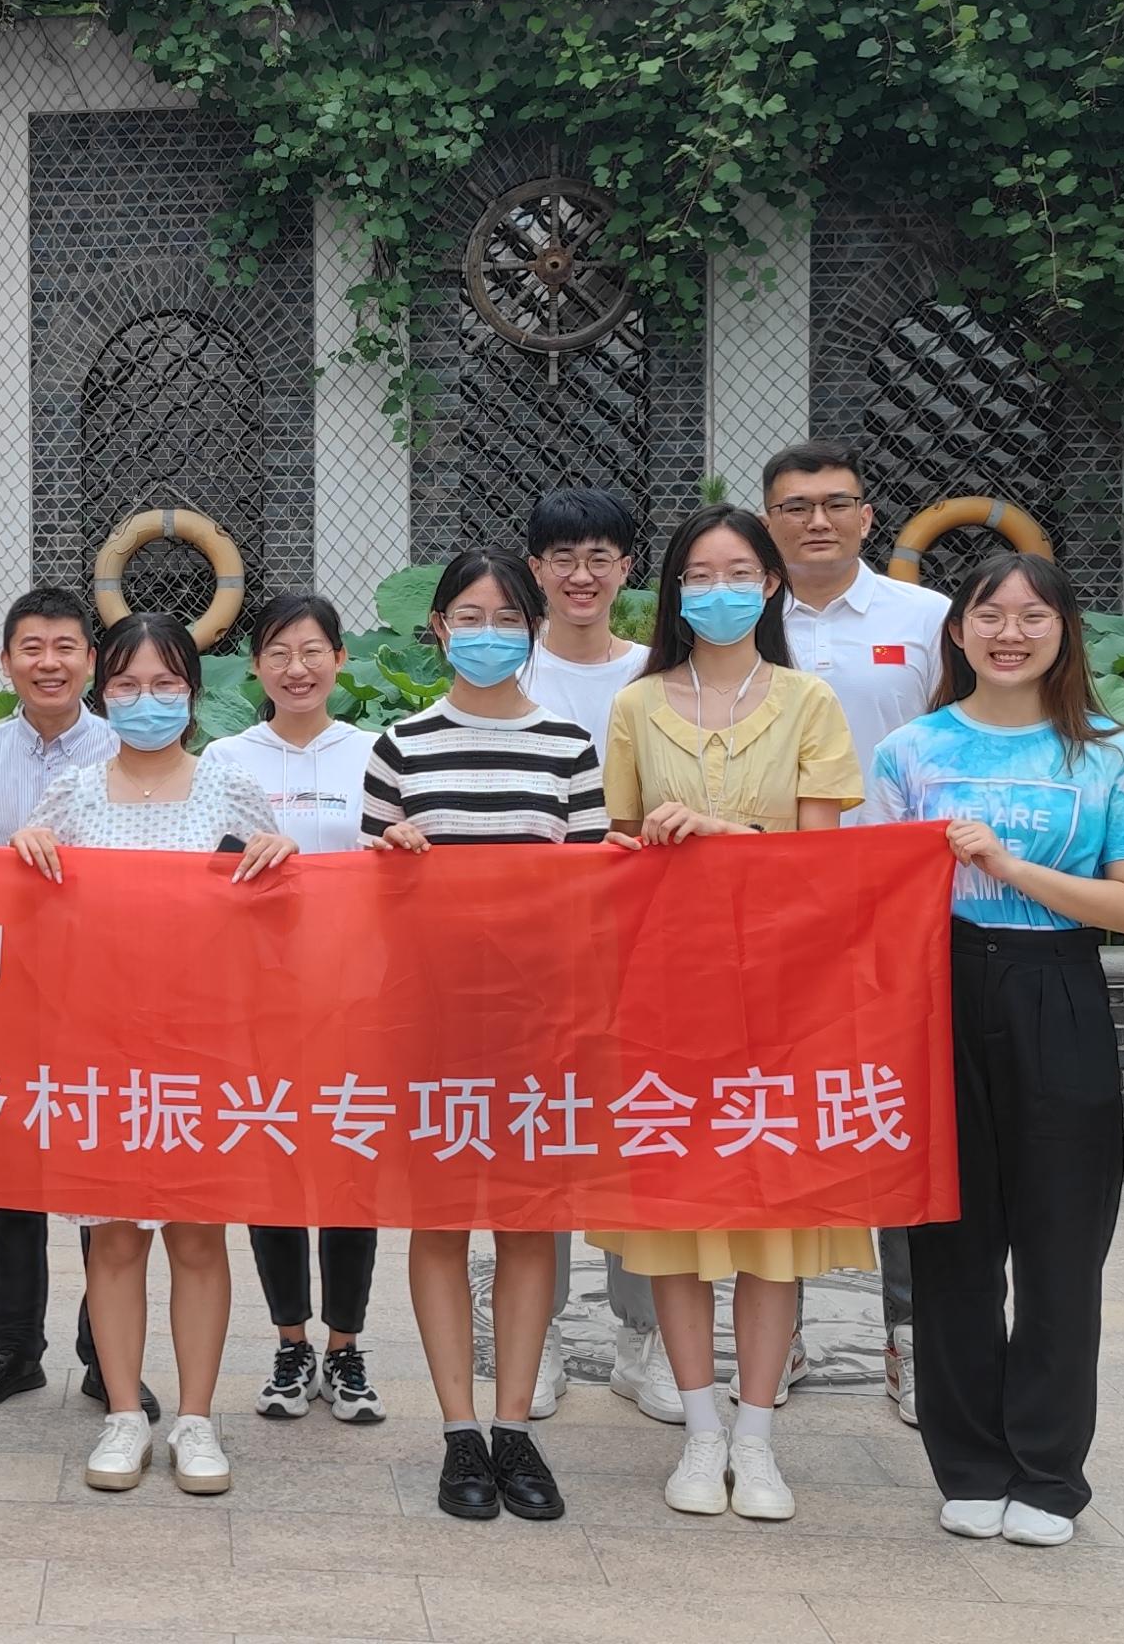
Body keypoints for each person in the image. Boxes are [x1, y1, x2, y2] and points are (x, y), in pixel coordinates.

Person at [870, 554, 1124, 1550]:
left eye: (1032, 615)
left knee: (1060, 1244)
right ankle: (968, 1465)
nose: (1010, 633)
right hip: (938, 992)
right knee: (950, 1240)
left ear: (1063, 631)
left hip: (1057, 988)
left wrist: (1006, 864)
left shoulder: (1112, 754)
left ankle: (1047, 1473)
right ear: (956, 632)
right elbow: (866, 890)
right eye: (989, 615)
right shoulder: (910, 751)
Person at [589, 505, 869, 1523]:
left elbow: (824, 863)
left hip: (782, 997)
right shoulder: (635, 705)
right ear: (673, 590)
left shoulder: (808, 703)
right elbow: (617, 850)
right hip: (666, 994)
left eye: (738, 572)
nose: (718, 591)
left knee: (769, 1221)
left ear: (769, 586)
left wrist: (725, 835)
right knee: (676, 1216)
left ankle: (756, 1437)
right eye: (698, 575)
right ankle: (699, 1428)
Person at [6, 611, 293, 1497]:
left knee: (199, 1237)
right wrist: (24, 852)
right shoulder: (72, 796)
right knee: (115, 1239)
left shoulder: (231, 789)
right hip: (102, 1047)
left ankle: (197, 1419)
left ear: (193, 695)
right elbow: (27, 916)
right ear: (103, 694)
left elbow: (275, 919)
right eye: (127, 685)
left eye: (165, 684)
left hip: (204, 1047)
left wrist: (281, 857)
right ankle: (126, 1413)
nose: (146, 700)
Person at [361, 550, 618, 1523]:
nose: (487, 634)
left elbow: (590, 897)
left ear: (533, 628)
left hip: (537, 1025)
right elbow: (366, 905)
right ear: (437, 629)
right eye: (467, 617)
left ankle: (516, 1429)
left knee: (527, 1224)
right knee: (437, 1225)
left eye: (506, 617)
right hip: (428, 1021)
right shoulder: (399, 746)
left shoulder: (567, 746)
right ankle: (458, 1431)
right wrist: (390, 860)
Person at [762, 444, 954, 1429]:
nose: (816, 521)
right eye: (795, 507)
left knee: (899, 1114)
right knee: (781, 1115)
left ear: (868, 517)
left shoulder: (926, 620)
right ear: (769, 520)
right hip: (775, 911)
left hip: (901, 909)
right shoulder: (745, 621)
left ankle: (910, 1340)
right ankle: (777, 1335)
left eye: (835, 503)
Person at [0, 588, 132, 1419]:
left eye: (64, 647)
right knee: (12, 1178)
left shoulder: (128, 748)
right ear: (6, 661)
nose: (48, 663)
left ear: (90, 659)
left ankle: (106, 1354)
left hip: (107, 999)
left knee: (101, 1177)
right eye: (31, 648)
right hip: (5, 994)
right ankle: (13, 1347)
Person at [198, 594, 384, 1429]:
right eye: (278, 652)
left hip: (355, 1000)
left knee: (348, 1174)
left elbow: (402, 870)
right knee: (272, 1170)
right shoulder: (226, 759)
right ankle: (290, 1341)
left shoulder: (376, 754)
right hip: (257, 1002)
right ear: (254, 666)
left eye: (312, 652)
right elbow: (205, 874)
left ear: (340, 659)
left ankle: (346, 1347)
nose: (296, 669)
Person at [517, 488, 657, 1426]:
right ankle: (541, 1337)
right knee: (542, 1135)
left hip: (641, 945)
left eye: (600, 556)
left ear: (626, 569)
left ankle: (641, 1336)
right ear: (535, 570)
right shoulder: (507, 670)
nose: (581, 575)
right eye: (562, 558)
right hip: (531, 950)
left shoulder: (656, 674)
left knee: (633, 1135)